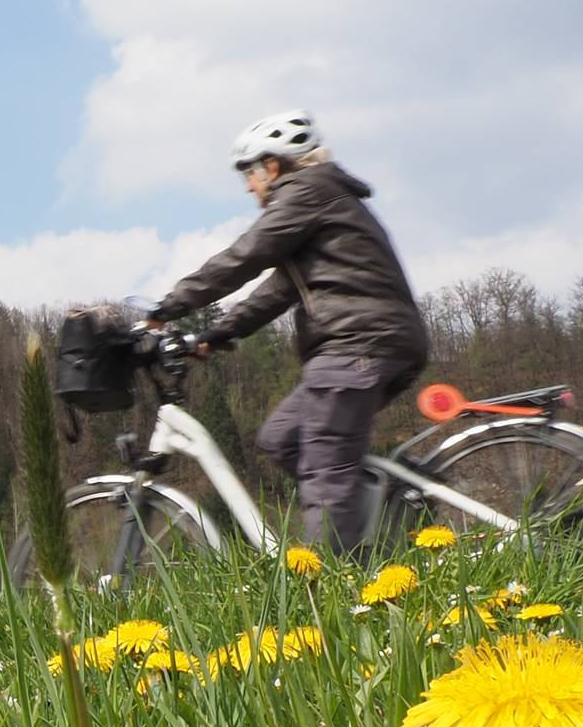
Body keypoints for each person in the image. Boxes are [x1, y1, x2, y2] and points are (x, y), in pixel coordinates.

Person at [146, 110, 428, 554]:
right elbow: (277, 291)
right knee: (281, 438)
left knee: (324, 470)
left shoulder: (306, 191)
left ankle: (330, 579)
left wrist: (168, 306)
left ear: (272, 166)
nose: (248, 187)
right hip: (374, 340)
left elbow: (246, 255)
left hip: (356, 344)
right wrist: (216, 335)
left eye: (249, 173)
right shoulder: (323, 201)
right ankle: (381, 518)